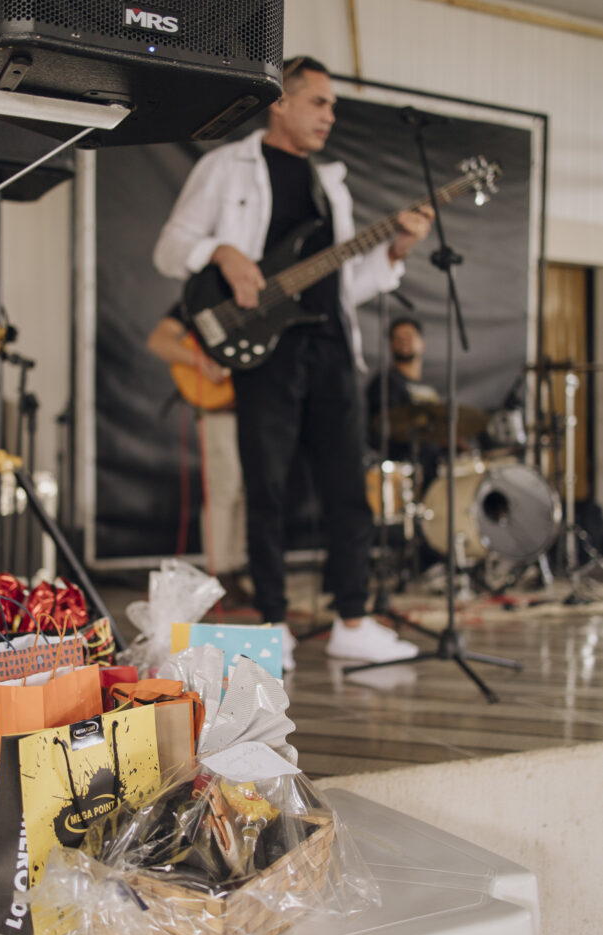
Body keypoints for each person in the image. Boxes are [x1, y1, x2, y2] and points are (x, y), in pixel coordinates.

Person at [153, 56, 433, 669]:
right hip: (268, 350)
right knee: (267, 490)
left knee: (347, 489)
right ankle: (273, 623)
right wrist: (222, 252)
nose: (330, 116)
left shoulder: (330, 182)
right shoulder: (225, 167)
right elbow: (171, 249)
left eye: (332, 106)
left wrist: (398, 250)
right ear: (280, 101)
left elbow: (346, 284)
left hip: (332, 346)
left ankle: (352, 620)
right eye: (319, 102)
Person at [146, 310, 251, 608]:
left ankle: (236, 570)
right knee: (224, 488)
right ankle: (221, 575)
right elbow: (158, 342)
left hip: (253, 410)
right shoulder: (201, 299)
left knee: (245, 492)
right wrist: (201, 362)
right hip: (220, 410)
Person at [366, 316, 442, 488]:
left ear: (422, 342)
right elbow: (385, 429)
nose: (403, 342)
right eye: (397, 338)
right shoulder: (385, 383)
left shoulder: (426, 389)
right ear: (390, 345)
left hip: (432, 466)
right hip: (402, 473)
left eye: (408, 336)